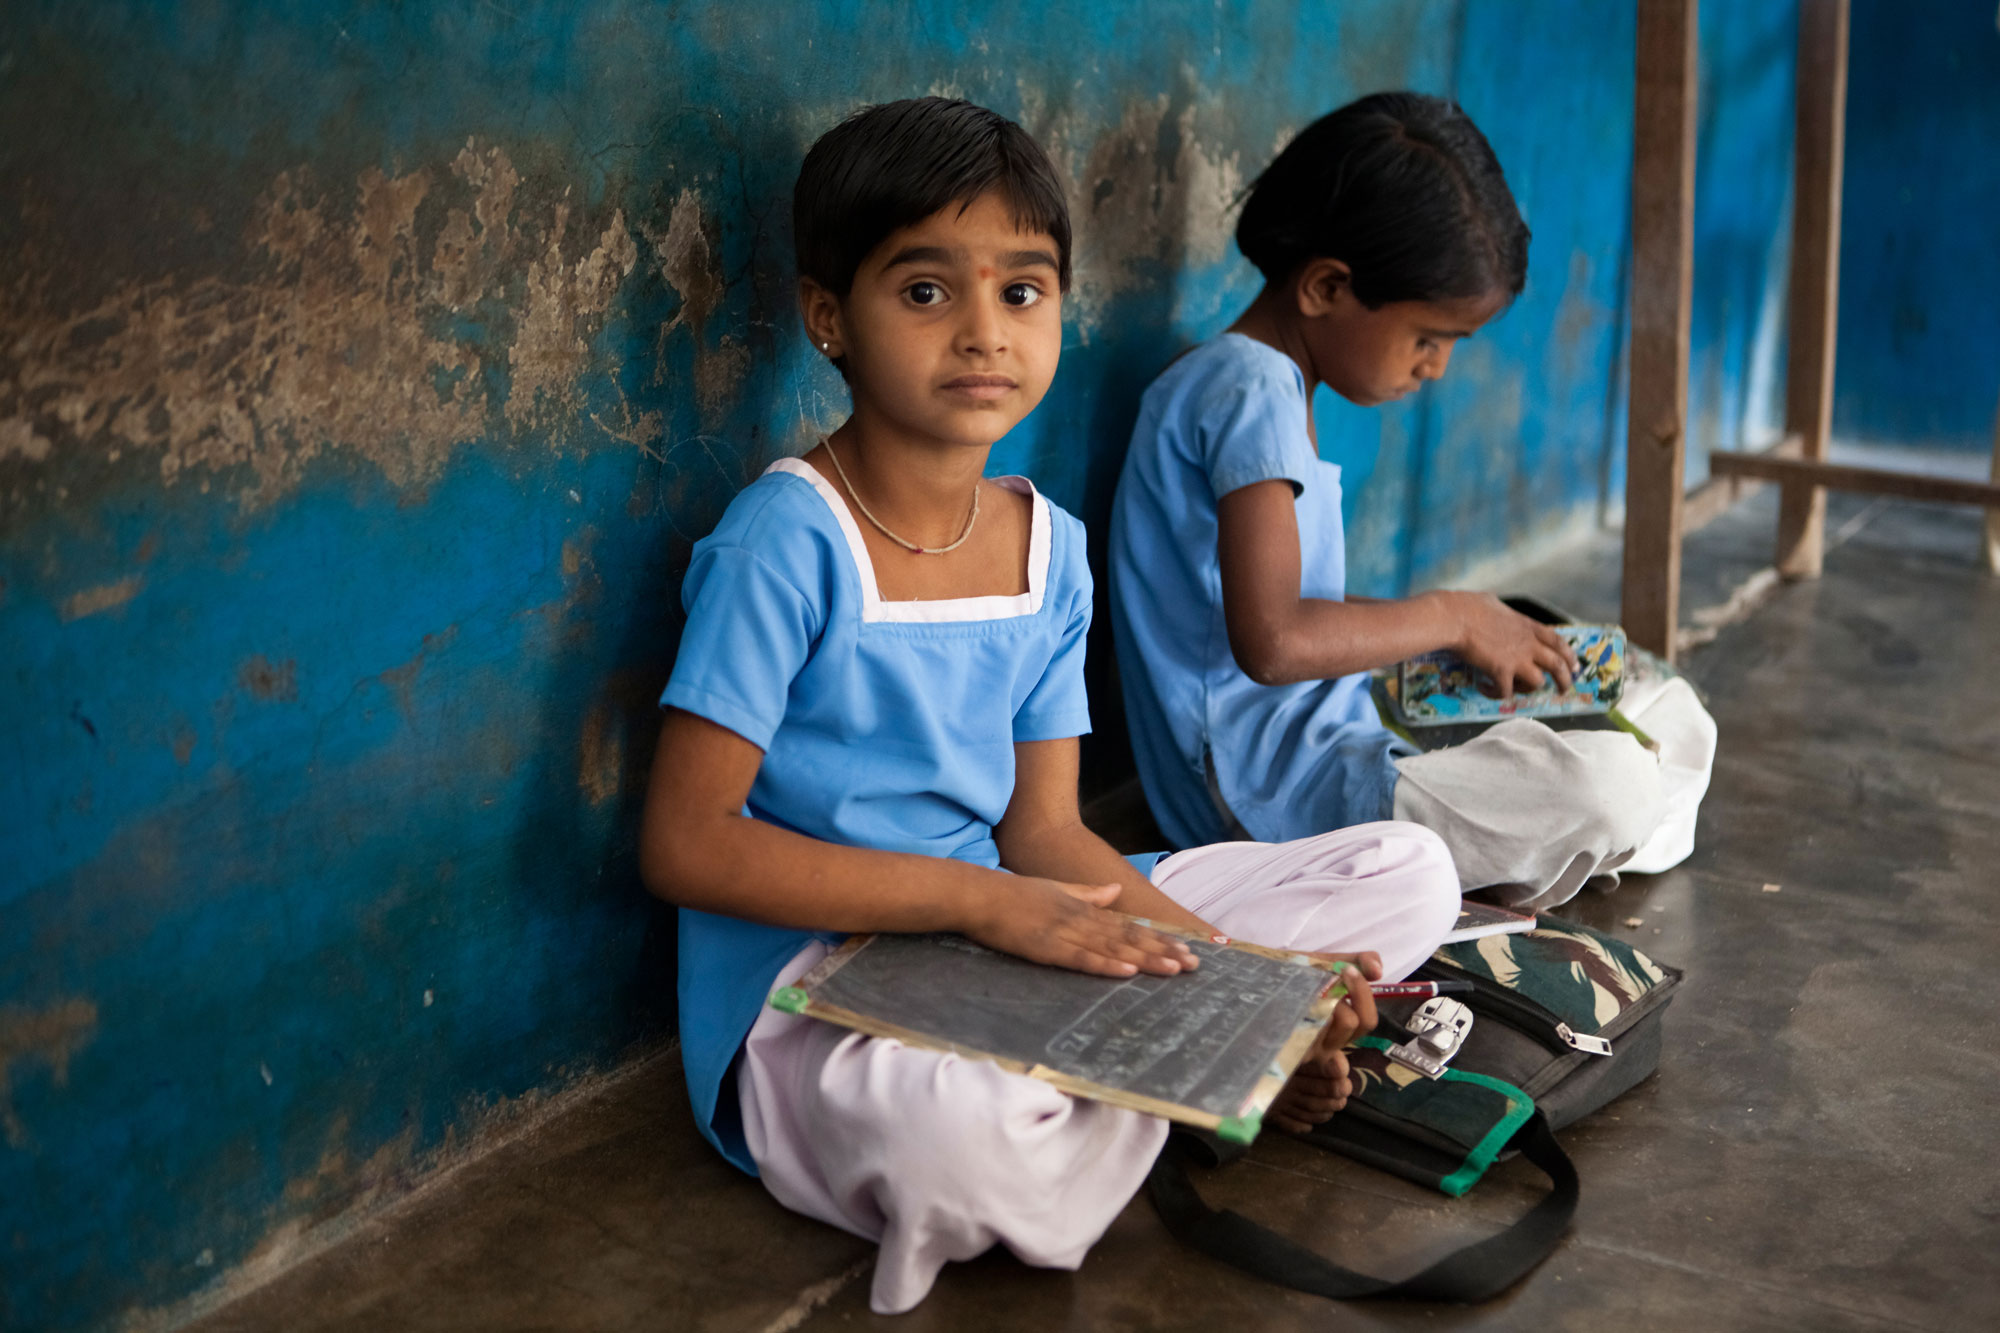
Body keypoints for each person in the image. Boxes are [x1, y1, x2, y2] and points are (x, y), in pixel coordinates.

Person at [639, 97, 1460, 1315]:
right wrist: (984, 906)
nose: (982, 332)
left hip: (1016, 921)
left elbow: (1045, 834)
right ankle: (1179, 1089)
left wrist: (1249, 981)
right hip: (819, 981)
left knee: (1410, 872)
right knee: (962, 1149)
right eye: (925, 292)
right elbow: (685, 843)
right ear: (829, 320)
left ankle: (1203, 1058)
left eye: (1021, 293)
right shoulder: (786, 542)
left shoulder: (1048, 548)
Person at [1109, 92, 1714, 912]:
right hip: (1274, 796)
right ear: (1327, 286)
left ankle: (1528, 850)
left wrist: (1456, 644)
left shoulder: (1265, 386)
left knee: (1665, 710)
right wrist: (1454, 616)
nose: (1434, 369)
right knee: (1612, 784)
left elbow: (1280, 611)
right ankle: (1516, 853)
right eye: (1428, 339)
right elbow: (1275, 641)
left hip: (1349, 728)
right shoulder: (1245, 388)